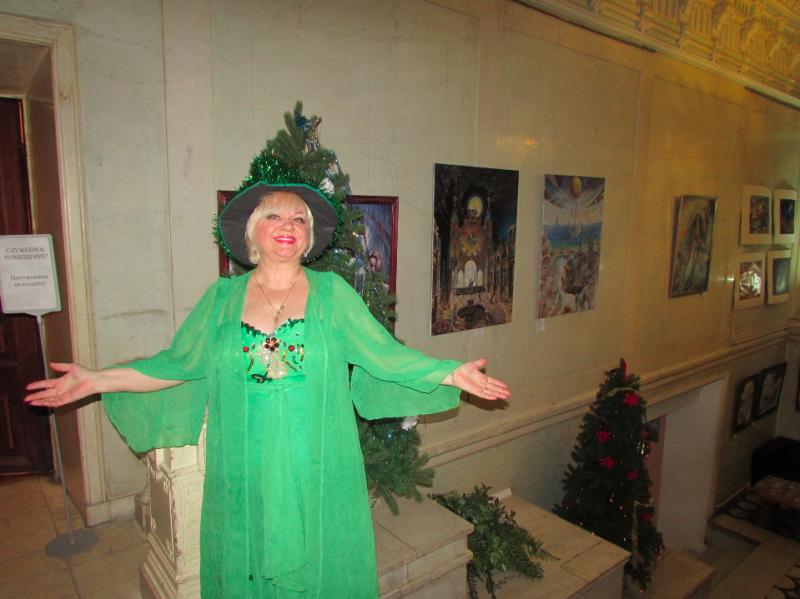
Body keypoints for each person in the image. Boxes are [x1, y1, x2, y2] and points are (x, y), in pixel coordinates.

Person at [25, 179, 510, 599]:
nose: (287, 224)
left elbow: (386, 356)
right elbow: (173, 366)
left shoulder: (333, 295)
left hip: (319, 470)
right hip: (244, 474)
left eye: (299, 219)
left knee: (323, 569)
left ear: (309, 237)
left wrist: (451, 373)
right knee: (248, 566)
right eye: (274, 215)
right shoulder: (221, 299)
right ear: (252, 232)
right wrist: (97, 379)